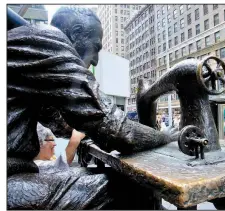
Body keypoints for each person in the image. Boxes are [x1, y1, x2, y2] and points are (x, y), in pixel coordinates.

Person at [8, 6, 173, 209]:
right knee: (135, 186)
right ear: (75, 34)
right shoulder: (47, 38)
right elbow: (118, 131)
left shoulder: (31, 49)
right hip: (9, 178)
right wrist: (167, 137)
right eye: (95, 47)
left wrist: (90, 129)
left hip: (16, 170)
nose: (95, 59)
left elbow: (60, 123)